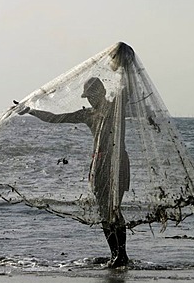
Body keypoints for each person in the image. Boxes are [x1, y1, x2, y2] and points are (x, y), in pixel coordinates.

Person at [20, 77, 130, 268]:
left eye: (92, 95)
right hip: (99, 165)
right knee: (105, 212)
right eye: (87, 97)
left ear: (102, 92)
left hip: (118, 164)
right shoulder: (88, 115)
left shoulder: (115, 109)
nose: (90, 100)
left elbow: (127, 90)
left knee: (114, 209)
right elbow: (55, 118)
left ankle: (122, 255)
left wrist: (124, 62)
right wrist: (31, 111)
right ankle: (116, 255)